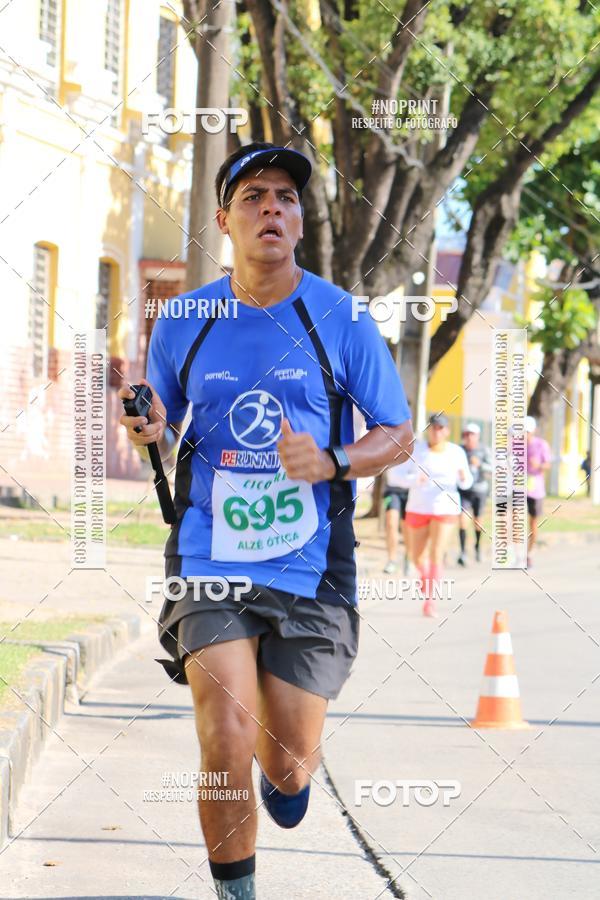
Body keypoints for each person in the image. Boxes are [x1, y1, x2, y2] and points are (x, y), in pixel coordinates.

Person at [119, 142, 413, 900]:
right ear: (225, 220)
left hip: (312, 565)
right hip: (211, 554)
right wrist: (147, 420)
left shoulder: (342, 318)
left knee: (286, 761)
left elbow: (397, 431)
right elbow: (159, 414)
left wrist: (335, 461)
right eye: (254, 197)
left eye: (286, 196)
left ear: (300, 222)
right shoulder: (186, 319)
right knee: (224, 737)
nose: (272, 208)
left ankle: (285, 780)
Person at [397, 413, 472, 617]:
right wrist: (415, 480)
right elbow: (397, 476)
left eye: (441, 428)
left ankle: (430, 602)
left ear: (447, 431)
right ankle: (425, 577)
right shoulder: (416, 449)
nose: (436, 432)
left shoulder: (456, 452)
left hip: (445, 508)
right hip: (418, 506)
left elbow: (467, 481)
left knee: (436, 554)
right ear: (428, 429)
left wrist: (464, 478)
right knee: (416, 556)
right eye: (433, 427)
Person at [457, 423, 492, 565]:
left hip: (479, 490)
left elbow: (493, 468)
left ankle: (477, 547)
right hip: (464, 490)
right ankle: (463, 552)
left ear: (477, 436)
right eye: (466, 434)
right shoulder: (460, 450)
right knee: (462, 520)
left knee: (477, 521)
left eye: (472, 435)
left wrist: (480, 465)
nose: (469, 437)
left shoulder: (484, 450)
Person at [526, 415, 551, 566]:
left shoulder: (541, 445)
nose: (525, 434)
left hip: (536, 490)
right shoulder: (516, 445)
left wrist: (539, 465)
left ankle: (529, 553)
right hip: (518, 488)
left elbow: (548, 465)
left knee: (533, 523)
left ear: (533, 431)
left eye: (527, 431)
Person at [383, 460, 411, 575]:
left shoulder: (418, 447)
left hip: (411, 491)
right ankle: (392, 560)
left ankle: (409, 558)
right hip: (392, 490)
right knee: (391, 523)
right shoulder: (390, 442)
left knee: (407, 527)